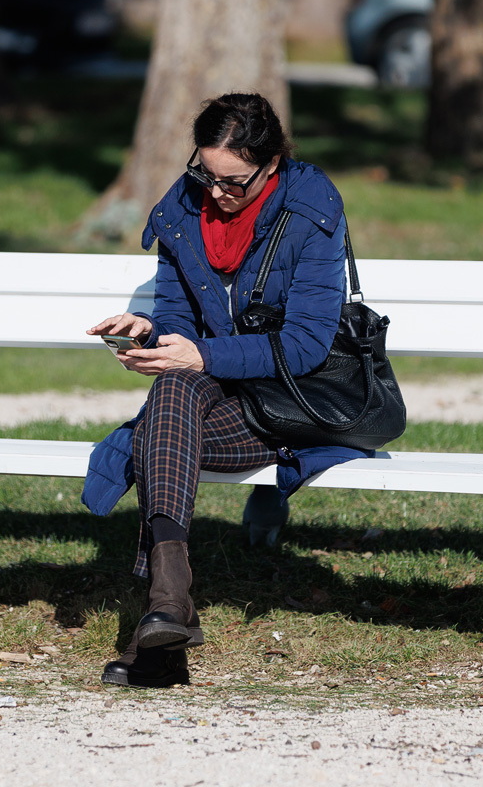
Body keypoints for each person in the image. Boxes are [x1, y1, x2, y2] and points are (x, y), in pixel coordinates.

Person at [83, 92, 351, 688]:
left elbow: (306, 345)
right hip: (210, 399)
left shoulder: (310, 209)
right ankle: (169, 607)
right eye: (205, 172)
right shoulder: (184, 207)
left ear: (272, 163)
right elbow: (178, 314)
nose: (217, 190)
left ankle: (163, 631)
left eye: (235, 180)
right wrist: (151, 332)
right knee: (172, 398)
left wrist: (199, 353)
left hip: (288, 407)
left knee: (162, 420)